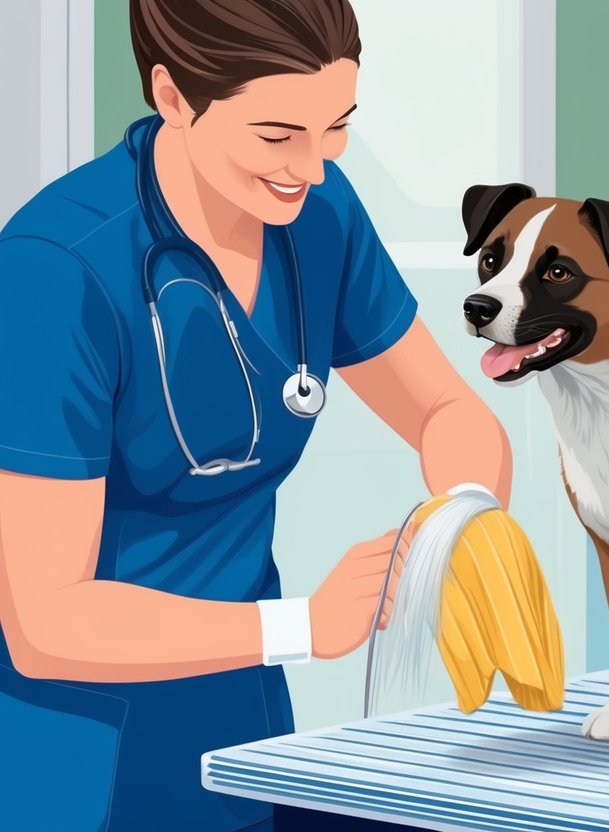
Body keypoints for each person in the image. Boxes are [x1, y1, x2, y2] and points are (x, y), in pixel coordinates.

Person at [0, 1, 512, 830]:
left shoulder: (318, 217)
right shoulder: (56, 272)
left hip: (243, 721)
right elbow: (45, 619)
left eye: (336, 127)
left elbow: (445, 408)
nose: (311, 168)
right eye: (278, 136)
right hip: (86, 755)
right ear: (172, 97)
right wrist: (303, 624)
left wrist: (463, 521)